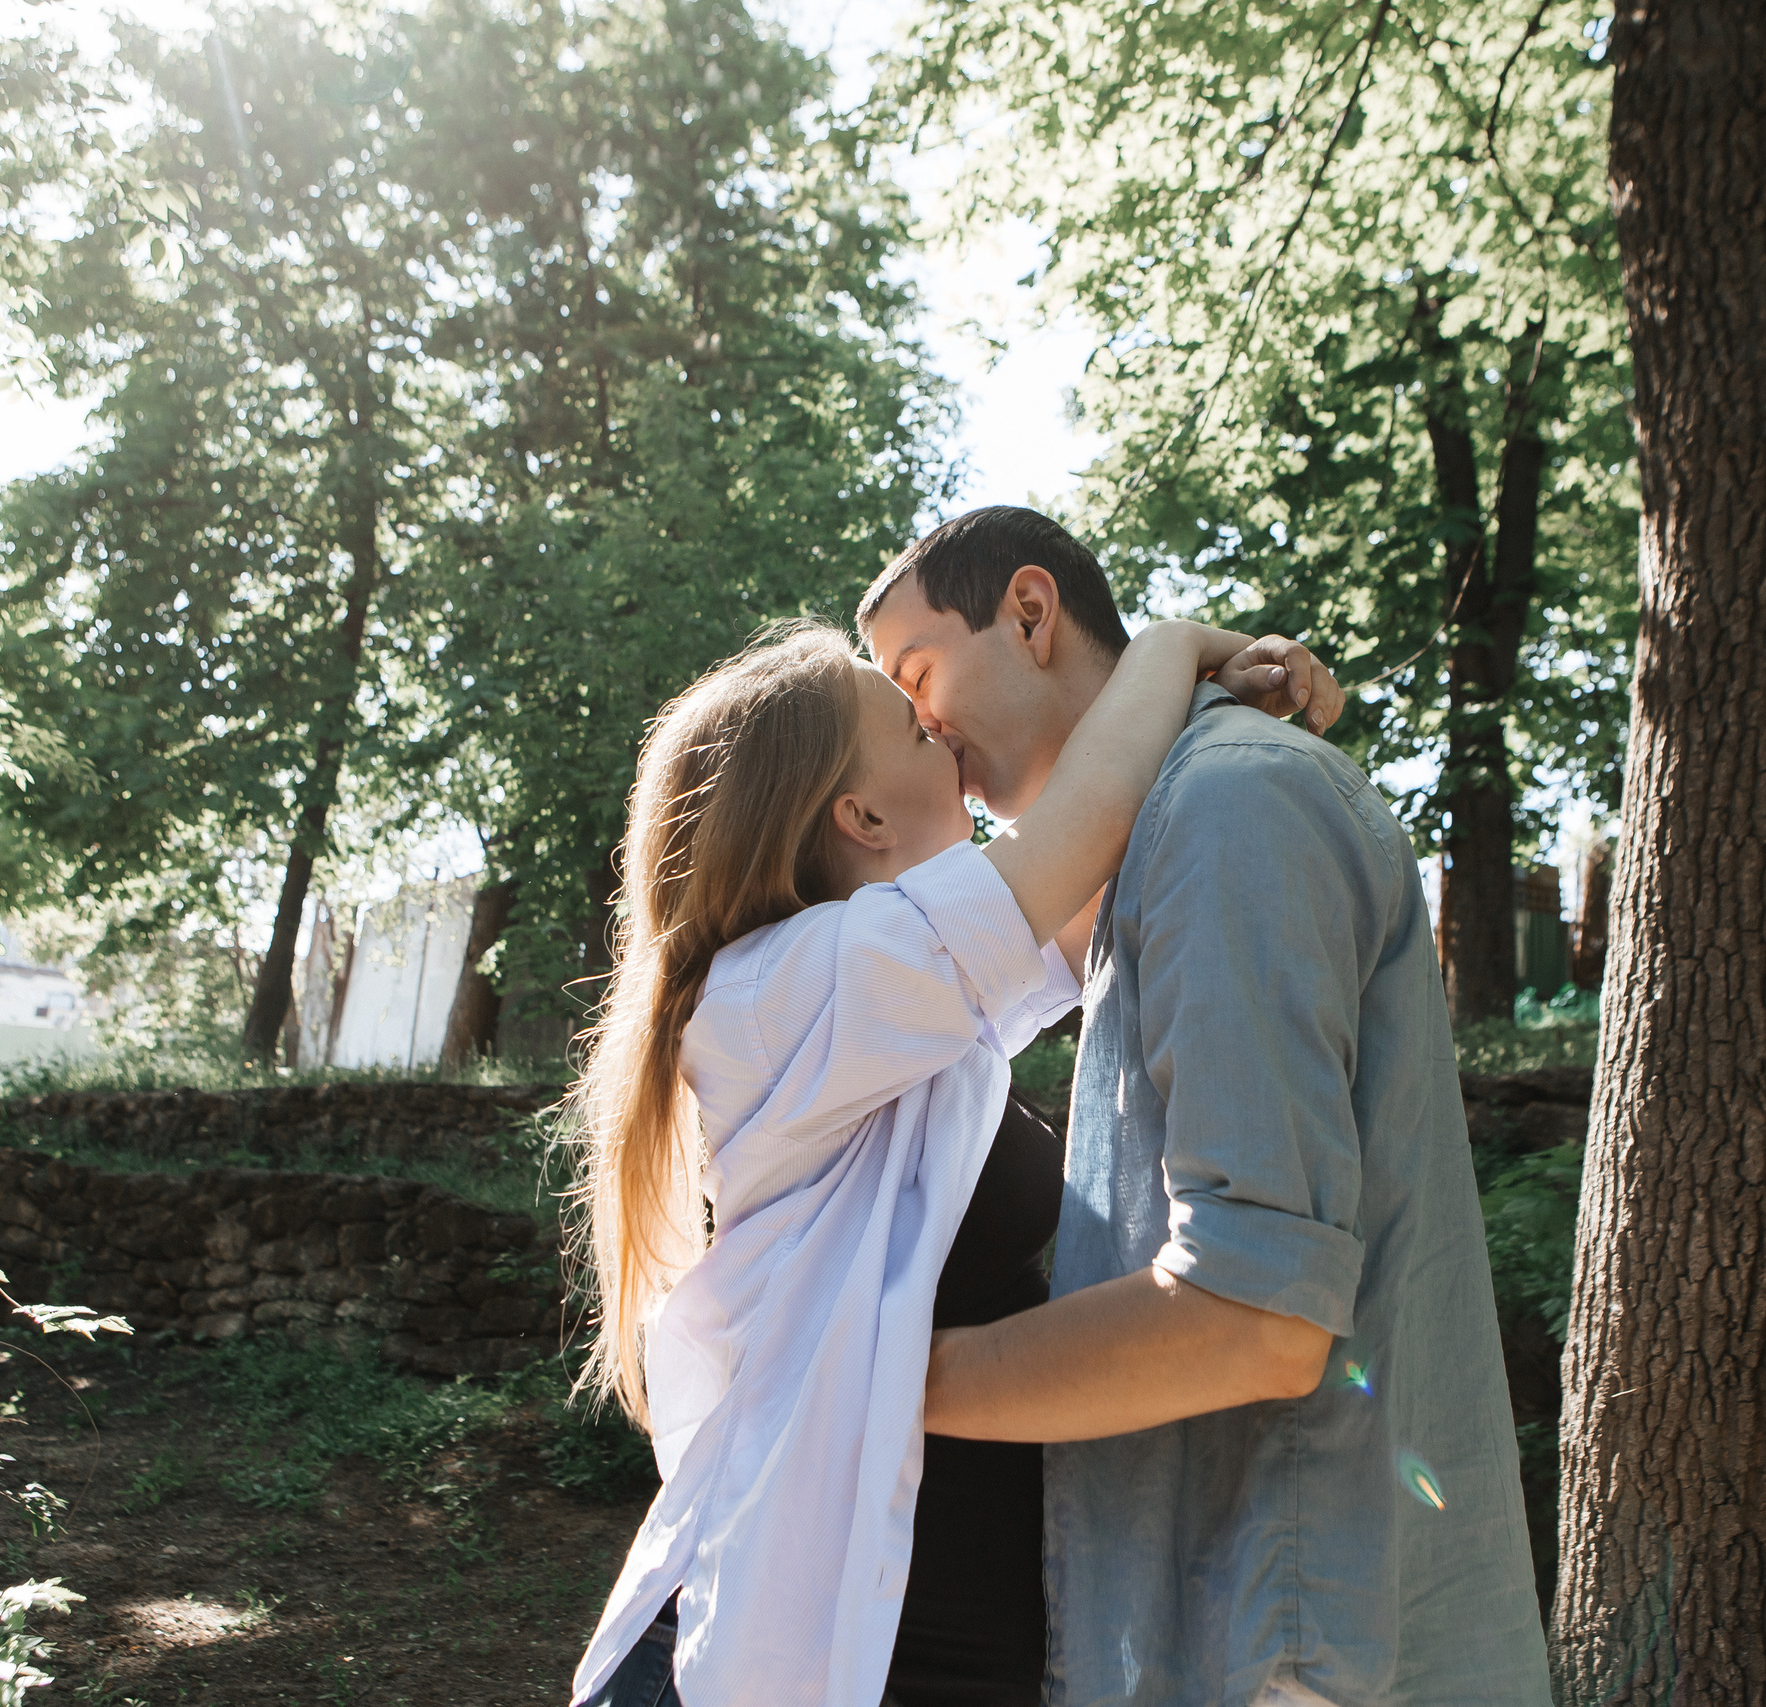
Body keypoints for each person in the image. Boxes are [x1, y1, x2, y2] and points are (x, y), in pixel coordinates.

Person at [567, 614, 1339, 1707]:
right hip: (775, 1658)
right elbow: (1074, 837)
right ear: (862, 813)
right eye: (915, 730)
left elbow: (1102, 896)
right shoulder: (777, 993)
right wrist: (1173, 650)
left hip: (922, 1650)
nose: (943, 733)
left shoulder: (897, 1017)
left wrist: (1216, 732)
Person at [860, 505, 1552, 1707]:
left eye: (916, 676)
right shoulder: (1174, 834)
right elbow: (1011, 921)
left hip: (1288, 1647)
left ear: (1029, 612)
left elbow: (1255, 1319)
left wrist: (862, 1385)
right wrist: (1192, 651)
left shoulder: (1231, 811)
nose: (916, 727)